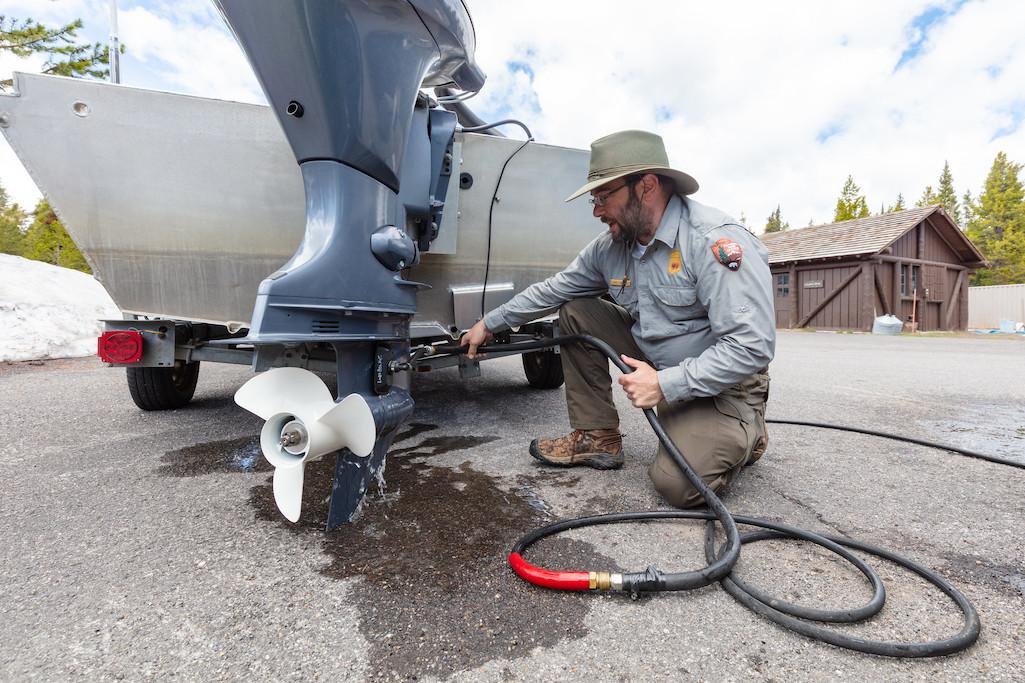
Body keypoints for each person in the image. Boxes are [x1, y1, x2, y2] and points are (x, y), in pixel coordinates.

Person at [460, 130, 775, 508]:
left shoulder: (711, 241)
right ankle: (597, 437)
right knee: (577, 311)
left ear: (646, 185)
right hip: (656, 361)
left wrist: (666, 384)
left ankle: (748, 430)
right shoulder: (611, 247)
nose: (596, 211)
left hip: (724, 383)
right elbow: (556, 288)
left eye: (603, 196)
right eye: (594, 199)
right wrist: (490, 323)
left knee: (677, 486)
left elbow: (751, 346)